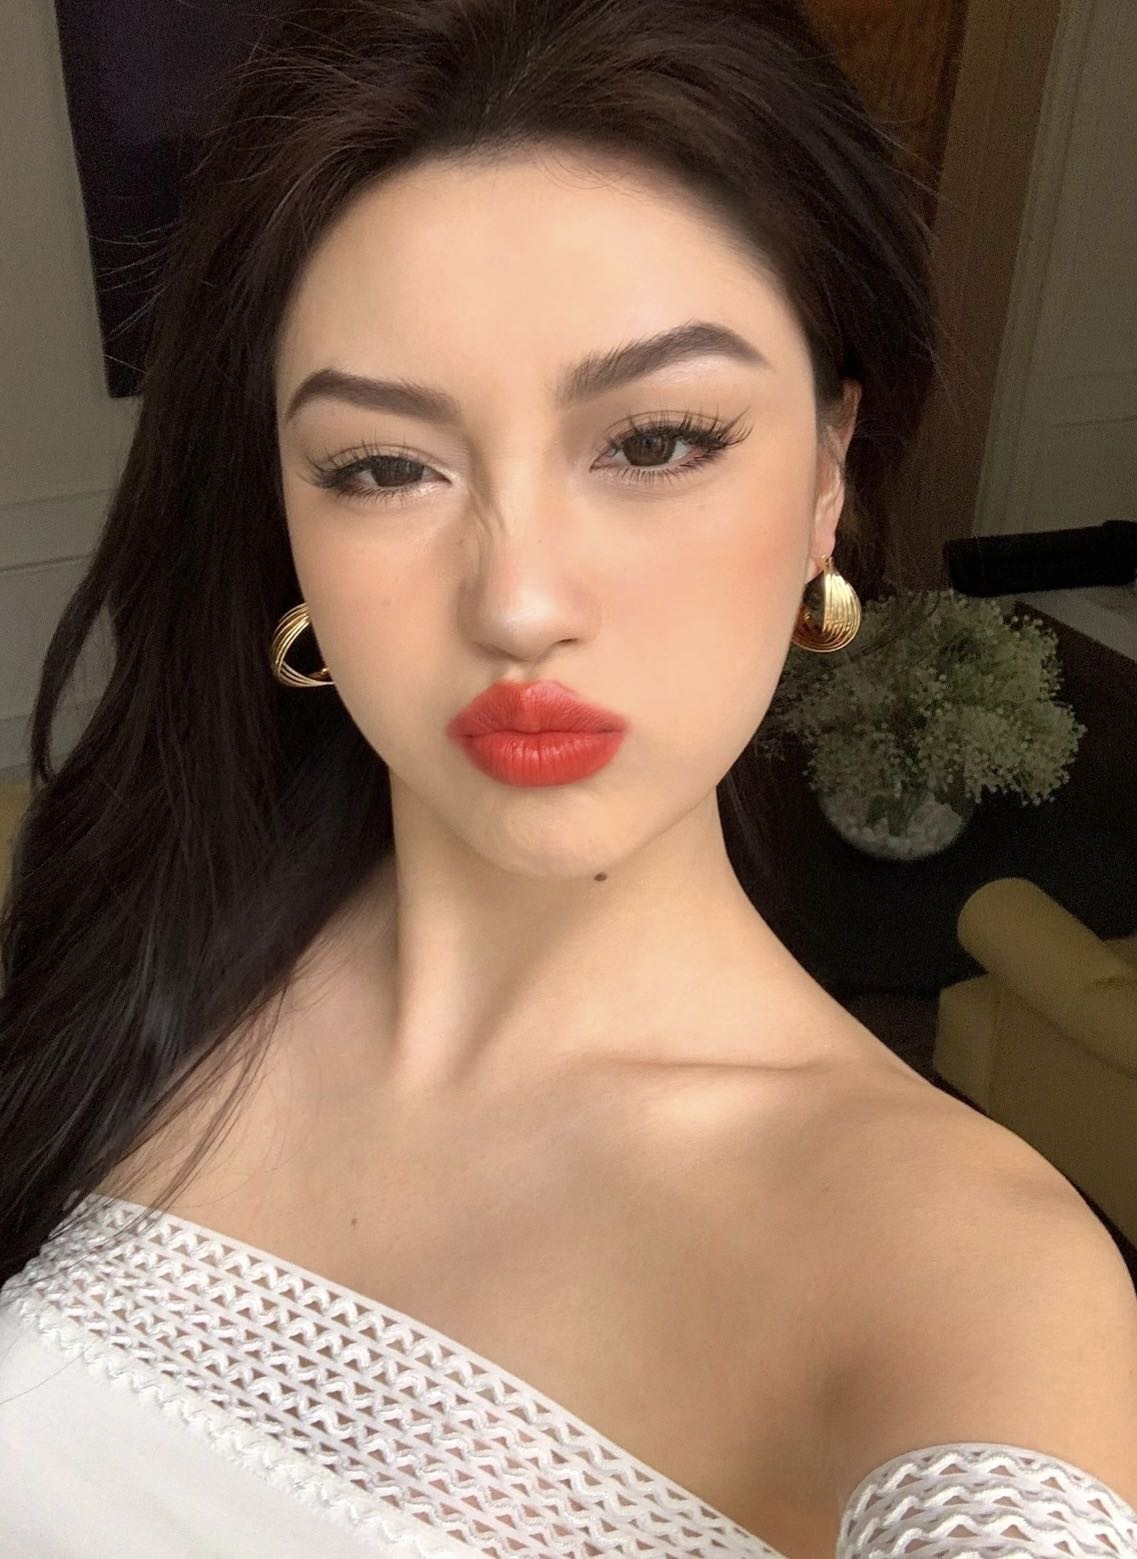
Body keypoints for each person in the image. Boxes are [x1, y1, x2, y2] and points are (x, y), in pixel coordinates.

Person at [1, 0, 1135, 1553]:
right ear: (287, 520)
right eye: (382, 466)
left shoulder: (967, 1278)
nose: (519, 600)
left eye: (655, 441)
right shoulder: (148, 941)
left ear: (826, 471)